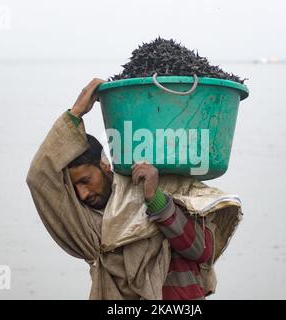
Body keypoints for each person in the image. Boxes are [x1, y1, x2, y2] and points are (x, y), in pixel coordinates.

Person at [26, 78, 235, 300]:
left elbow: (201, 251)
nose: (82, 194)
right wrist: (75, 113)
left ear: (104, 165)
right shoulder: (86, 228)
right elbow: (38, 178)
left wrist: (156, 201)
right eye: (75, 186)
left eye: (86, 180)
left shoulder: (169, 188)